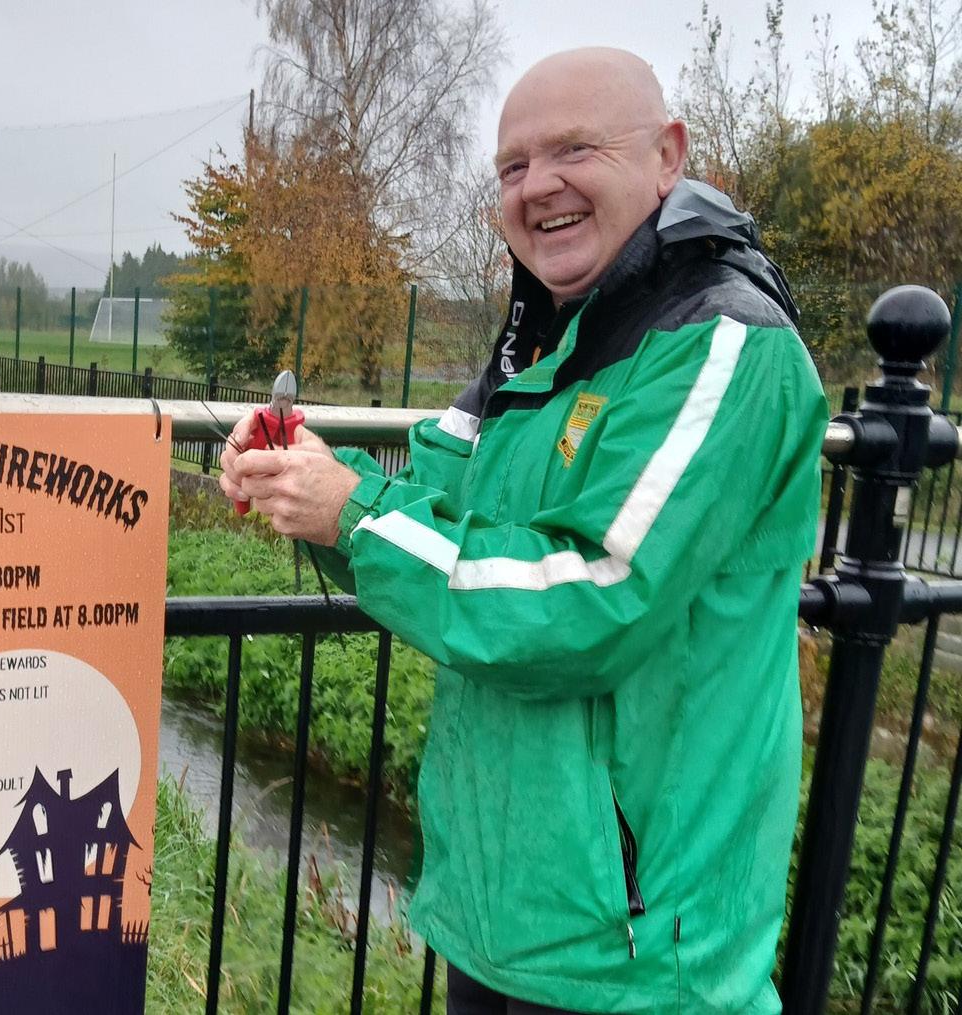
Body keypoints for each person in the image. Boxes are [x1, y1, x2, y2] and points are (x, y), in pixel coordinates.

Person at [220, 48, 826, 1014]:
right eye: (513, 166)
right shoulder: (541, 342)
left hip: (636, 952)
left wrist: (352, 511)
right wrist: (309, 476)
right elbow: (431, 511)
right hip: (502, 912)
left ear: (668, 156)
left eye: (574, 150)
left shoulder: (724, 345)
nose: (539, 185)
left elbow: (592, 596)